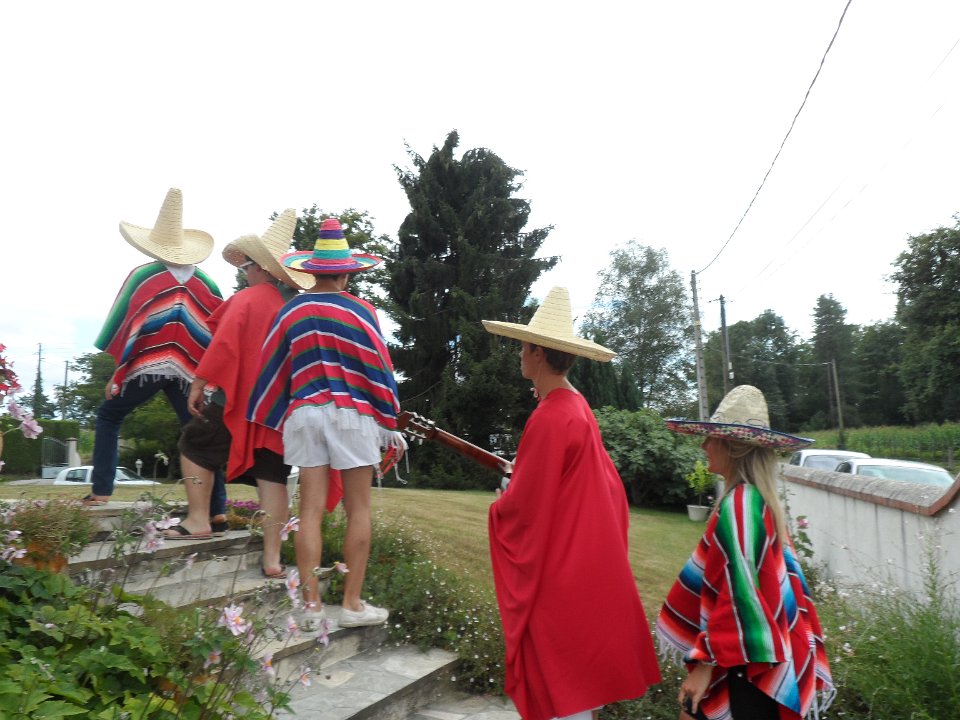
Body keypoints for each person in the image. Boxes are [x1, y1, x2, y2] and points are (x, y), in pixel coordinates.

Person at [483, 286, 662, 720]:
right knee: (581, 691)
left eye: (524, 347)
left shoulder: (550, 416)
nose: (520, 354)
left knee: (562, 692)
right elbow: (595, 490)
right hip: (587, 564)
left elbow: (525, 509)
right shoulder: (577, 407)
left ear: (539, 353)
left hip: (561, 574)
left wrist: (501, 502)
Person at [248, 217, 405, 626]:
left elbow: (273, 366)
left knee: (310, 510)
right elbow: (378, 368)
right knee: (358, 509)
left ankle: (311, 606)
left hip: (305, 415)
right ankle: (352, 605)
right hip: (353, 417)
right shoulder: (362, 311)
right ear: (347, 272)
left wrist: (276, 407)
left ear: (313, 270)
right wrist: (388, 417)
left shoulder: (291, 310)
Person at [657, 385, 835, 720]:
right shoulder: (755, 501)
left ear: (733, 446)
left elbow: (741, 599)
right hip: (752, 663)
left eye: (711, 438)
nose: (704, 445)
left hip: (745, 670)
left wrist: (704, 666)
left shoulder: (741, 504)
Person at [164, 210, 317, 580]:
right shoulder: (298, 308)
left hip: (237, 402)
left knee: (194, 445)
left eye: (247, 266)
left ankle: (198, 519)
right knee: (273, 477)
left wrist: (198, 383)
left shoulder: (248, 299)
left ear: (262, 267)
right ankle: (272, 559)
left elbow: (224, 345)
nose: (245, 272)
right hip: (279, 412)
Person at [88, 188, 225, 520]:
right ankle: (217, 509)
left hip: (144, 368)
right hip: (189, 374)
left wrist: (118, 374)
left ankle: (101, 490)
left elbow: (125, 325)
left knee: (109, 416)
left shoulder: (144, 276)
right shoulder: (207, 284)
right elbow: (217, 332)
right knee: (201, 433)